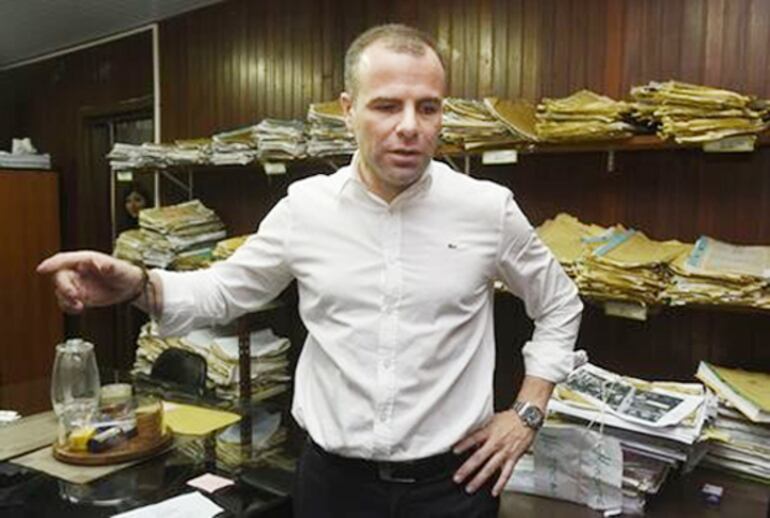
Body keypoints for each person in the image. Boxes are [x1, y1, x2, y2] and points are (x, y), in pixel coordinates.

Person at [38, 24, 582, 517]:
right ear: (348, 110)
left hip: (455, 487)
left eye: (428, 108)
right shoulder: (306, 208)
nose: (410, 127)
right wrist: (137, 283)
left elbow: (559, 303)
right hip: (334, 489)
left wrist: (527, 413)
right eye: (386, 106)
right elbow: (225, 290)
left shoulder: (486, 209)